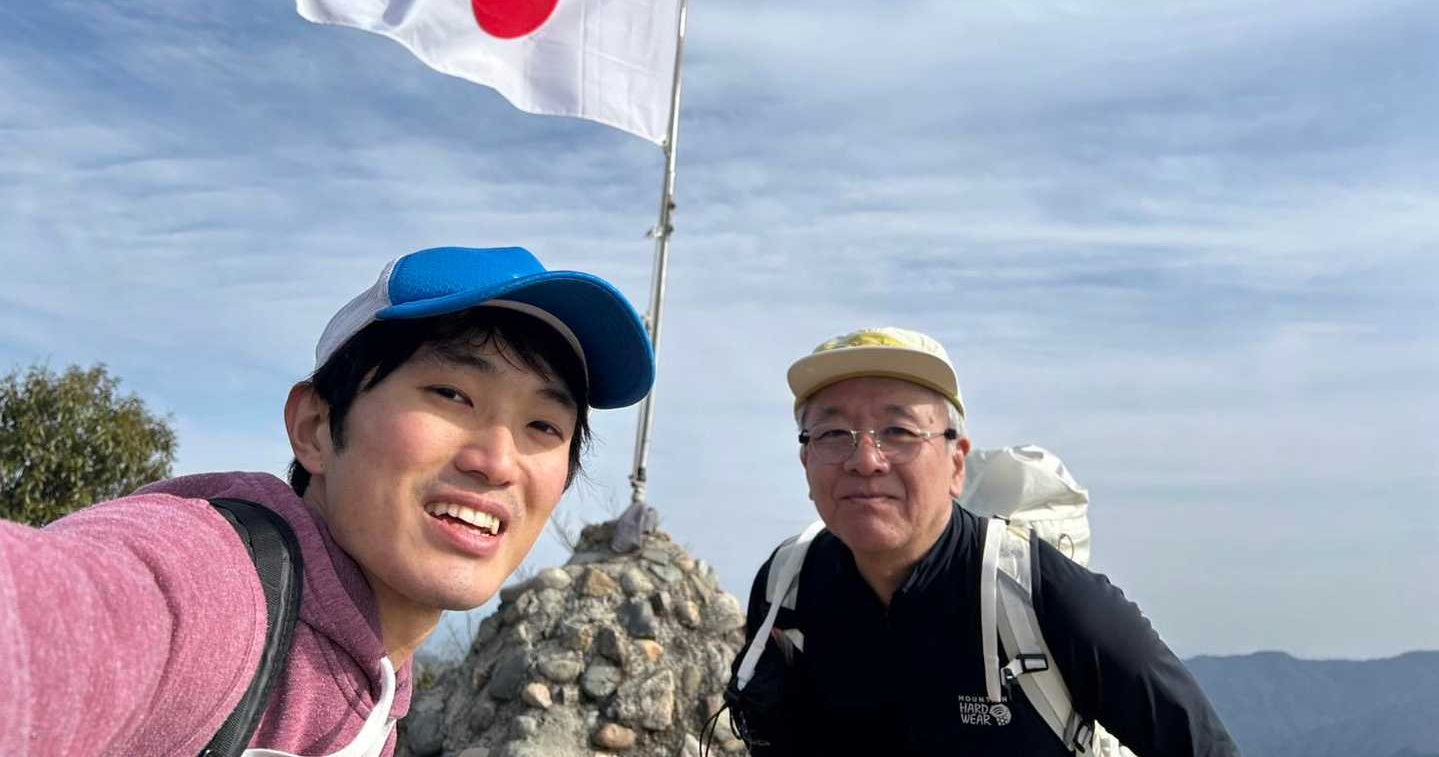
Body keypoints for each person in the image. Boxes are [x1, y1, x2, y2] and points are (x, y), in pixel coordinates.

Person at [0, 245, 654, 757]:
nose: (498, 461)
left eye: (543, 426)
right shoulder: (214, 590)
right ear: (315, 426)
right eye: (452, 394)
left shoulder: (381, 679)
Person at [726, 327, 1239, 756]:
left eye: (898, 431)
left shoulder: (1049, 599)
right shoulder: (788, 585)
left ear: (956, 463)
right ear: (806, 462)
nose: (865, 460)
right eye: (834, 434)